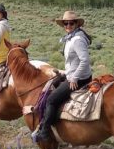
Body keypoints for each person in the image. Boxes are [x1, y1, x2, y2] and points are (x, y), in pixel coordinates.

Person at [32, 11, 93, 142]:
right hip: (74, 74)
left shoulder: (77, 39)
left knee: (51, 100)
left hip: (80, 78)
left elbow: (85, 60)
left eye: (71, 23)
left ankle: (45, 131)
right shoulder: (72, 37)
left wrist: (74, 77)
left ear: (77, 24)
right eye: (66, 23)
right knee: (51, 87)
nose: (68, 25)